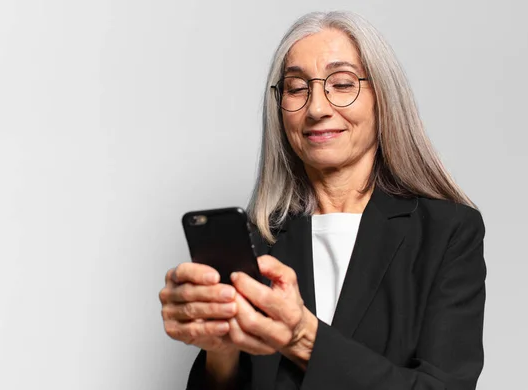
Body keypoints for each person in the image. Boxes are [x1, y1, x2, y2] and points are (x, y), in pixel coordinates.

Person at [159, 10, 486, 390]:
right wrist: (220, 350)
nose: (316, 108)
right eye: (297, 88)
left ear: (383, 97)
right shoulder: (259, 239)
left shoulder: (447, 233)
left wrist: (302, 335)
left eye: (342, 84)